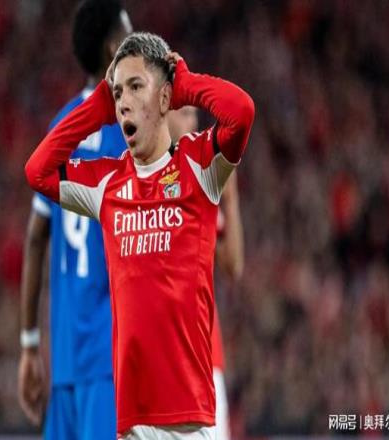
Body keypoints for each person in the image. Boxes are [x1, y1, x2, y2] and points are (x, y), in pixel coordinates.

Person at [25, 32, 255, 439]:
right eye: (118, 93)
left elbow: (241, 111)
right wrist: (96, 107)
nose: (124, 102)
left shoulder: (198, 167)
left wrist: (185, 84)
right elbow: (37, 171)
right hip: (131, 423)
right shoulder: (107, 184)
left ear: (165, 99)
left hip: (191, 421)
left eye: (135, 87)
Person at [17, 1, 132, 439]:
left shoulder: (61, 125)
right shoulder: (130, 130)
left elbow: (35, 238)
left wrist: (30, 344)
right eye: (130, 34)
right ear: (113, 49)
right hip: (109, 358)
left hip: (64, 360)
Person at [168, 107, 245, 440]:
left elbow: (233, 265)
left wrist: (231, 197)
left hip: (204, 358)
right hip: (161, 361)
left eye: (194, 116)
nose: (193, 123)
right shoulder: (143, 179)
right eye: (185, 114)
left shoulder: (202, 180)